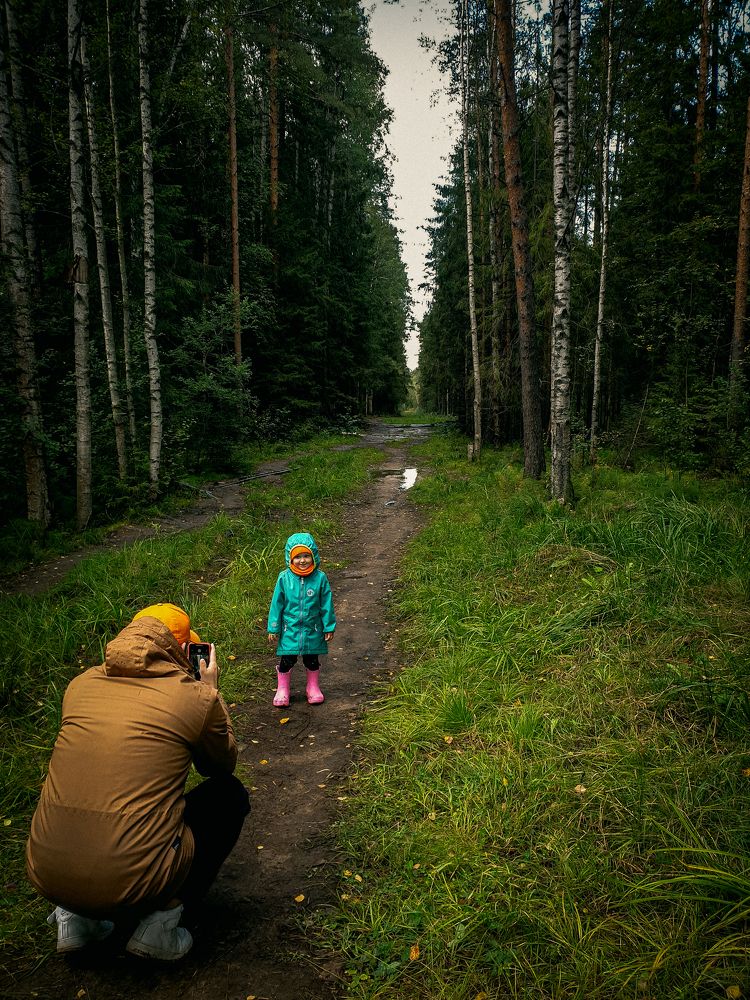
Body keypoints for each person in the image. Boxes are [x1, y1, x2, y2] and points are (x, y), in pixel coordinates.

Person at [26, 603, 249, 961]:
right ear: (182, 651)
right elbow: (220, 765)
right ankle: (160, 924)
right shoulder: (193, 697)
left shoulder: (79, 685)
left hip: (46, 873)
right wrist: (211, 692)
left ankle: (75, 918)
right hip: (135, 881)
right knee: (228, 796)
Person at [267, 532, 336, 707]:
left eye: (306, 555)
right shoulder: (284, 578)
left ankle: (312, 688)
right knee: (287, 659)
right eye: (297, 557)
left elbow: (326, 603)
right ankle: (282, 690)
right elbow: (277, 604)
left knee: (311, 659)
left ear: (314, 556)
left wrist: (328, 626)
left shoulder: (320, 578)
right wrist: (273, 627)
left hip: (313, 628)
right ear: (290, 558)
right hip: (289, 628)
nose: (302, 560)